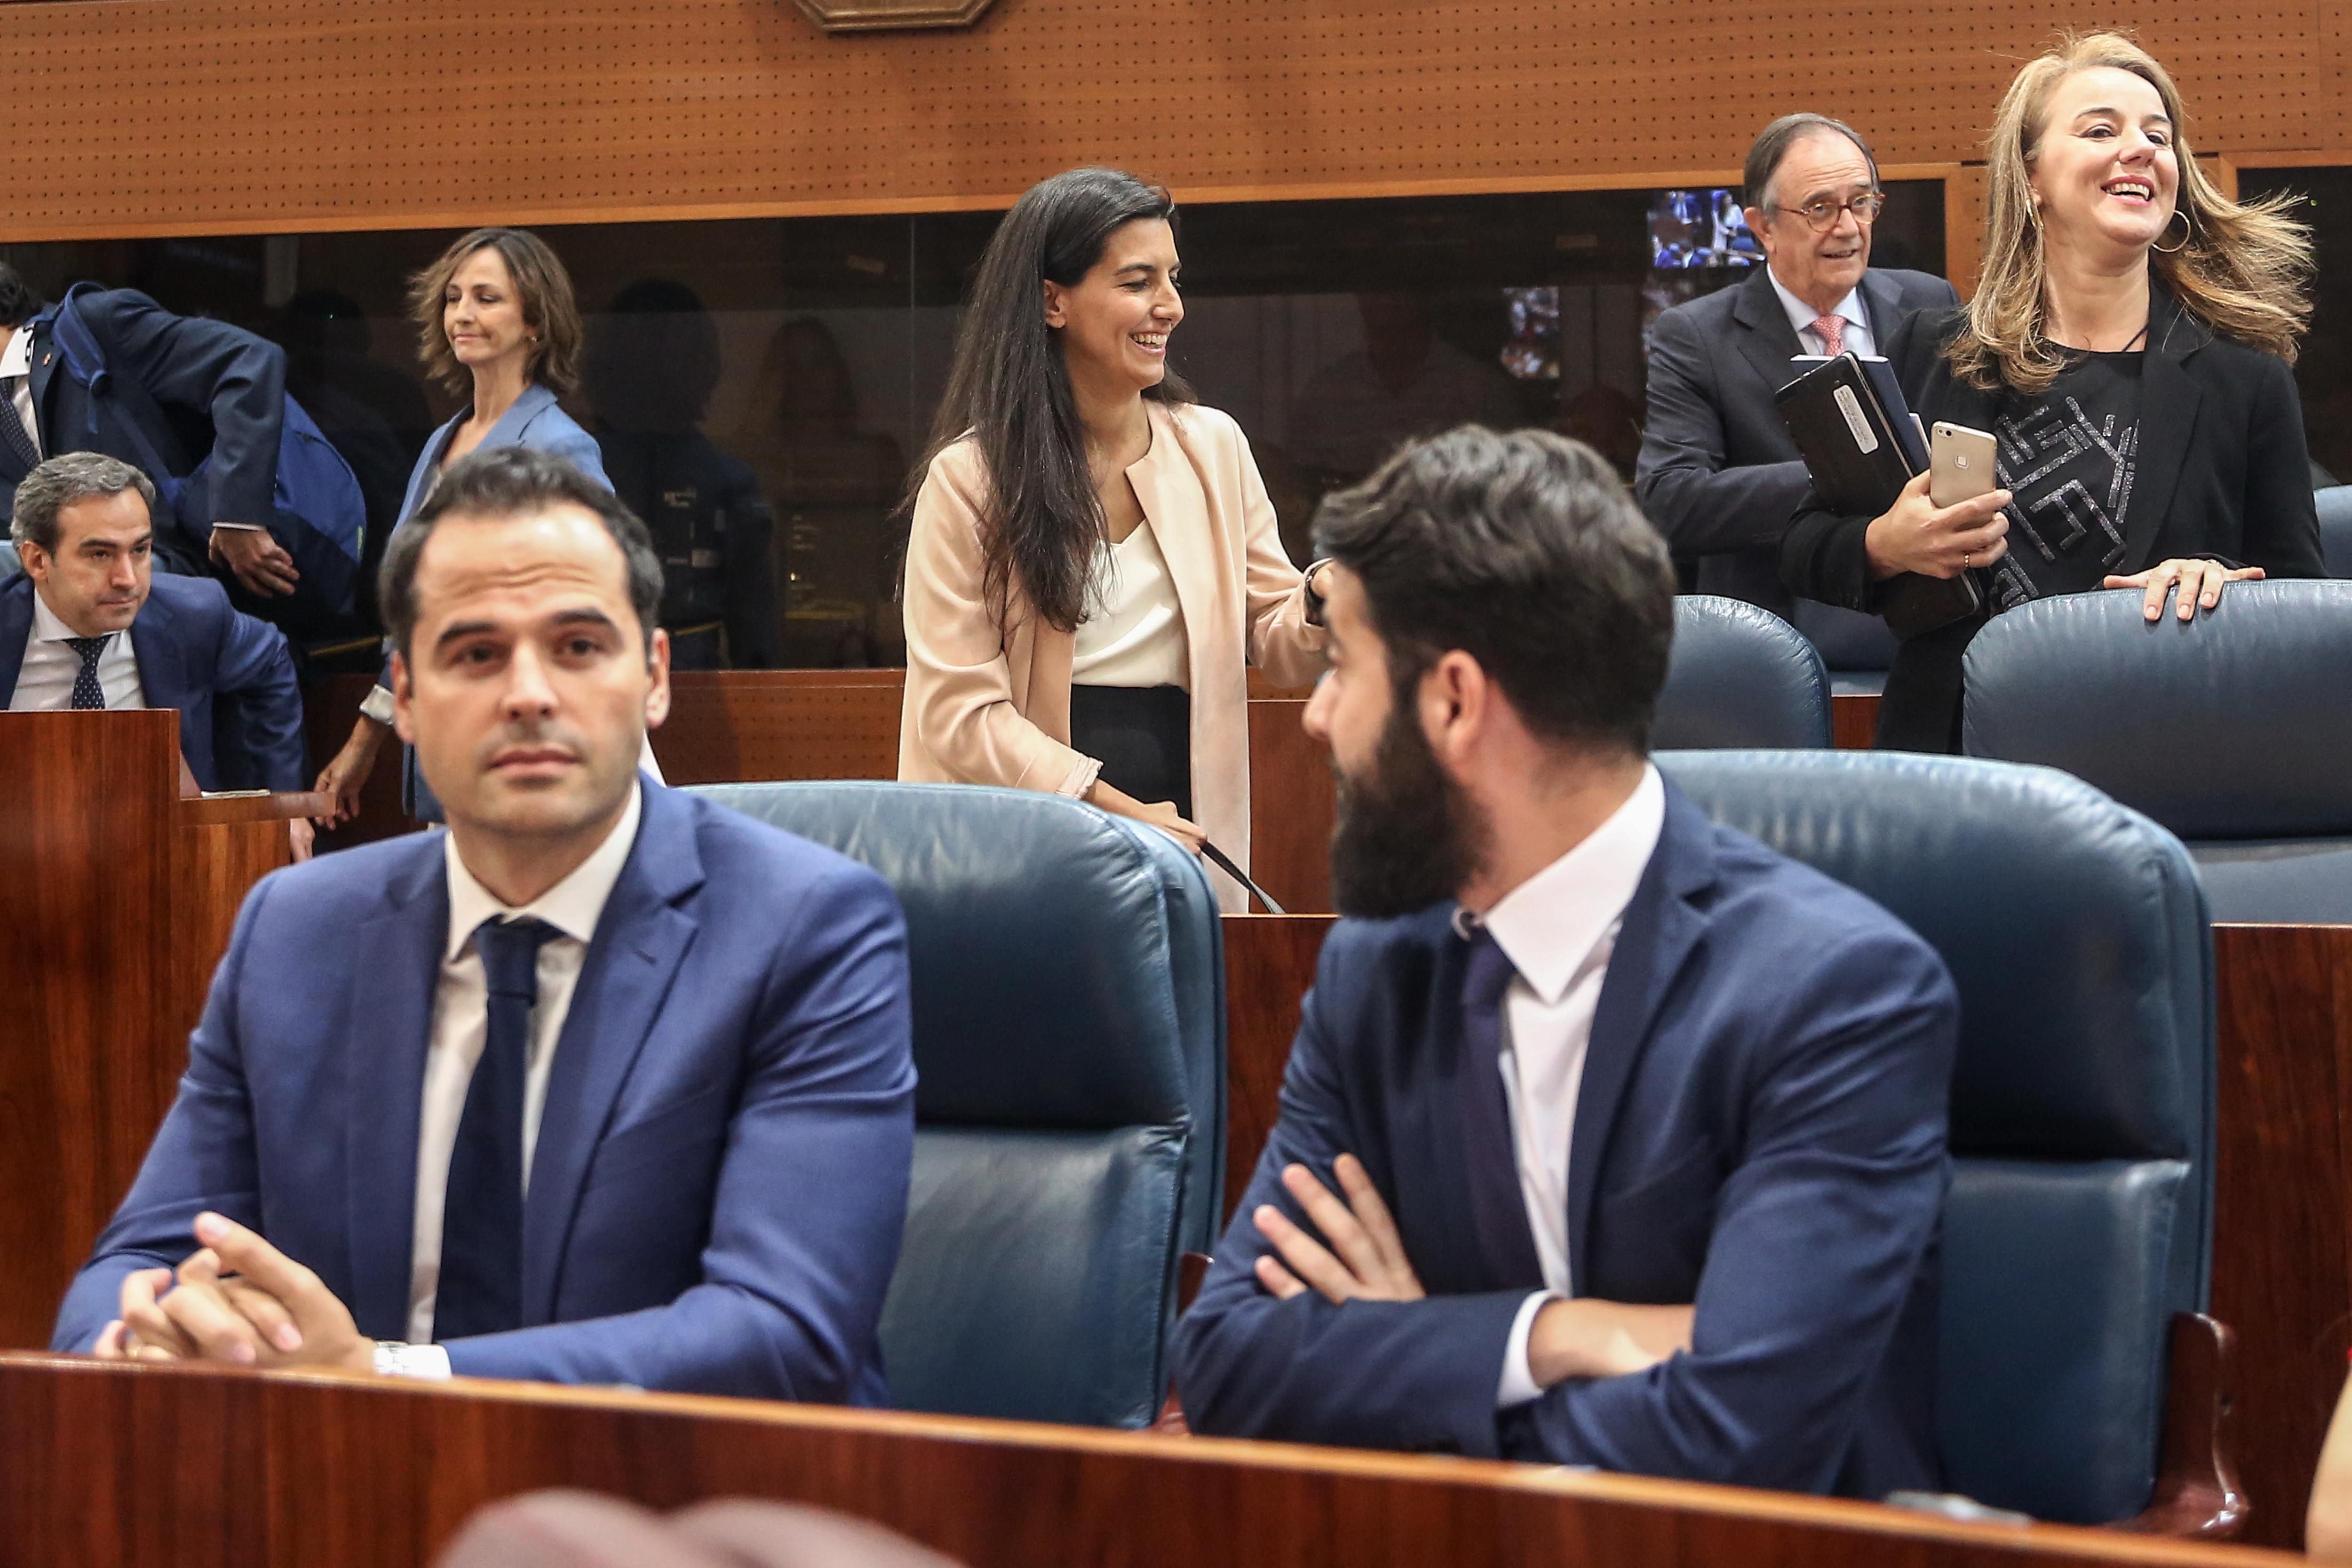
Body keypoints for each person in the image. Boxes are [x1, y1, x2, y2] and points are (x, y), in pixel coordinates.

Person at [1170, 425, 1956, 1496]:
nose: (1315, 719)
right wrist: (1553, 1336)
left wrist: (1419, 1355)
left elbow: (1736, 1440)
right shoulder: (1378, 972)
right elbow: (1228, 1366)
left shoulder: (1835, 996)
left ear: (1452, 701)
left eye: (1343, 667)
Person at [52, 446, 916, 1400]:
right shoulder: (297, 928)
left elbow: (786, 1332)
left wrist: (381, 1376)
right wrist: (144, 1341)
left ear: (656, 677)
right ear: (407, 699)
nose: (530, 693)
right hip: (344, 1497)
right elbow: (142, 1253)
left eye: (580, 646)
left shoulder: (807, 926)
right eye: (476, 653)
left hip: (679, 1512)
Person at [1779, 34, 2327, 752]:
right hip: (1961, 755)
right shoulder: (1937, 348)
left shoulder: (2245, 375)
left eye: (2157, 136)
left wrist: (2217, 580)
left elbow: (2301, 603)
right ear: (2031, 175)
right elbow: (1803, 545)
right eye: (2102, 129)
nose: (2139, 149)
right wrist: (1888, 543)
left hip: (2161, 748)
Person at [898, 167, 1327, 910]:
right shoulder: (970, 479)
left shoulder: (1212, 446)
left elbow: (1276, 639)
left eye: (1173, 278)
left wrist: (1322, 599)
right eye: (1137, 282)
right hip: (1029, 829)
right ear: (1052, 300)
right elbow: (959, 713)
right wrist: (1112, 809)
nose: (1170, 307)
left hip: (1187, 819)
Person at [313, 227, 613, 823]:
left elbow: (603, 599)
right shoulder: (440, 442)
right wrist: (363, 741)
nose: (462, 315)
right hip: (441, 753)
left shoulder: (559, 447)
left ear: (535, 320)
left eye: (486, 298)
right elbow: (412, 613)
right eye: (453, 298)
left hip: (522, 747)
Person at [1636, 116, 1959, 617]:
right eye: (1820, 209)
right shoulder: (1696, 334)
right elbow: (1669, 500)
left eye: (1861, 202)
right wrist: (1845, 474)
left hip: (1912, 623)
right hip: (1773, 633)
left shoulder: (1928, 302)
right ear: (1762, 227)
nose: (1848, 227)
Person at [5, 453, 311, 859]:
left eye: (141, 550)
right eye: (100, 554)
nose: (128, 579)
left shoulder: (194, 615)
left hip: (161, 855)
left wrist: (282, 800)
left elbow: (271, 660)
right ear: (38, 560)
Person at [0, 263, 305, 604]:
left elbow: (248, 360)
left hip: (171, 554)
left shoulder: (92, 325)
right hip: (69, 579)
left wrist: (239, 516)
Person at [587, 279, 780, 671]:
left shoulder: (727, 482)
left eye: (673, 357)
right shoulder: (577, 469)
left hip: (699, 674)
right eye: (642, 357)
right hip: (595, 668)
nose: (656, 374)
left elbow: (755, 627)